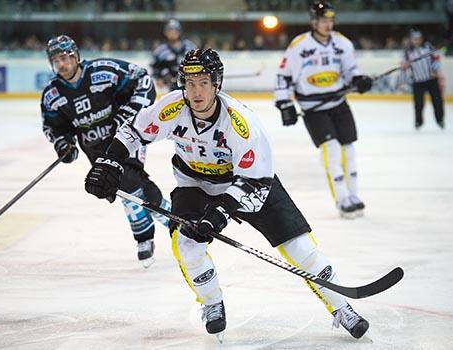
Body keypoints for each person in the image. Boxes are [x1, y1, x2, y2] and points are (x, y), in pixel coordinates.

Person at [84, 48, 370, 340]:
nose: (196, 92)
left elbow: (256, 180)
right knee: (186, 244)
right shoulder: (172, 107)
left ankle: (341, 307)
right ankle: (212, 303)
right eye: (190, 82)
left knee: (300, 248)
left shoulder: (240, 123)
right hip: (194, 183)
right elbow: (133, 132)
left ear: (216, 83)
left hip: (248, 184)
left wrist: (221, 212)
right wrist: (110, 162)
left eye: (204, 83)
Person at [41, 34, 170, 268]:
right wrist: (63, 144)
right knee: (121, 187)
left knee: (128, 180)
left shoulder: (102, 70)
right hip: (95, 148)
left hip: (126, 137)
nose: (61, 64)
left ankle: (154, 232)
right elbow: (54, 126)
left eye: (65, 57)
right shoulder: (53, 94)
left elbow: (142, 79)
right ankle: (167, 217)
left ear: (76, 56)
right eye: (56, 60)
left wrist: (127, 115)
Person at [274, 1, 373, 218]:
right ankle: (341, 199)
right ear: (313, 22)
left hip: (338, 103)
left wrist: (359, 81)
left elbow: (350, 71)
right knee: (332, 149)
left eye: (331, 20)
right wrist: (284, 103)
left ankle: (354, 196)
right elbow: (284, 75)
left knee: (349, 149)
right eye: (323, 21)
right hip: (314, 109)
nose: (328, 25)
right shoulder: (299, 46)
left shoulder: (342, 43)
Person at [399, 29, 444, 129]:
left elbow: (437, 58)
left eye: (418, 39)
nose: (417, 41)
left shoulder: (428, 47)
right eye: (414, 39)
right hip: (418, 81)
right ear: (411, 40)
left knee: (437, 101)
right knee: (418, 103)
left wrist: (435, 69)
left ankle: (440, 119)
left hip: (431, 79)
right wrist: (401, 81)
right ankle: (418, 122)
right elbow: (403, 68)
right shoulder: (407, 52)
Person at [150, 19, 197, 91]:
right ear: (165, 33)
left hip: (190, 83)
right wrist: (158, 78)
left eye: (175, 31)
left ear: (179, 32)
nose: (172, 33)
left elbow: (198, 62)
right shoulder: (160, 50)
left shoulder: (190, 46)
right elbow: (155, 67)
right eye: (170, 31)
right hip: (170, 85)